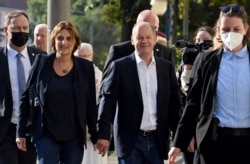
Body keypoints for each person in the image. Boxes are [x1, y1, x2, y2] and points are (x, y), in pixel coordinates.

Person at [168, 4, 250, 164]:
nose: (231, 34)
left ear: (245, 30)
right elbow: (193, 104)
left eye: (236, 29)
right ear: (219, 30)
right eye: (226, 29)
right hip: (215, 144)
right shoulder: (206, 61)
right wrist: (178, 143)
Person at [95, 21, 181, 164]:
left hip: (157, 142)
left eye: (148, 37)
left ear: (155, 40)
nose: (144, 41)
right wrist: (103, 134)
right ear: (132, 40)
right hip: (130, 141)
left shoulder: (166, 68)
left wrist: (179, 139)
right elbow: (107, 101)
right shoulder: (119, 67)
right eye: (139, 37)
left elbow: (174, 105)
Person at [16, 21, 98, 164]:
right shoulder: (41, 62)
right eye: (60, 38)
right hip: (45, 133)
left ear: (75, 42)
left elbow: (90, 104)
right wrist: (21, 131)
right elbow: (25, 97)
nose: (64, 42)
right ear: (54, 40)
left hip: (74, 137)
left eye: (68, 38)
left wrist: (96, 136)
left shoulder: (86, 68)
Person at [0, 10, 46, 164]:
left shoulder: (41, 57)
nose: (22, 32)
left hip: (32, 128)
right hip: (5, 129)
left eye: (25, 28)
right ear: (6, 30)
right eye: (17, 28)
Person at [175, 26, 215, 164]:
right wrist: (188, 68)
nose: (200, 45)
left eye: (206, 41)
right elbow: (187, 97)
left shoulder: (218, 65)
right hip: (190, 128)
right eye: (198, 40)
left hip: (212, 132)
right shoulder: (184, 67)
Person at [102, 9, 175, 77]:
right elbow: (106, 85)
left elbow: (172, 87)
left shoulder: (166, 54)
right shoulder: (118, 52)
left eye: (154, 28)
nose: (149, 31)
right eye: (145, 26)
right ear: (135, 27)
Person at [74, 43, 107, 164]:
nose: (82, 59)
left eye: (85, 56)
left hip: (92, 129)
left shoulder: (98, 75)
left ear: (91, 57)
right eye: (79, 56)